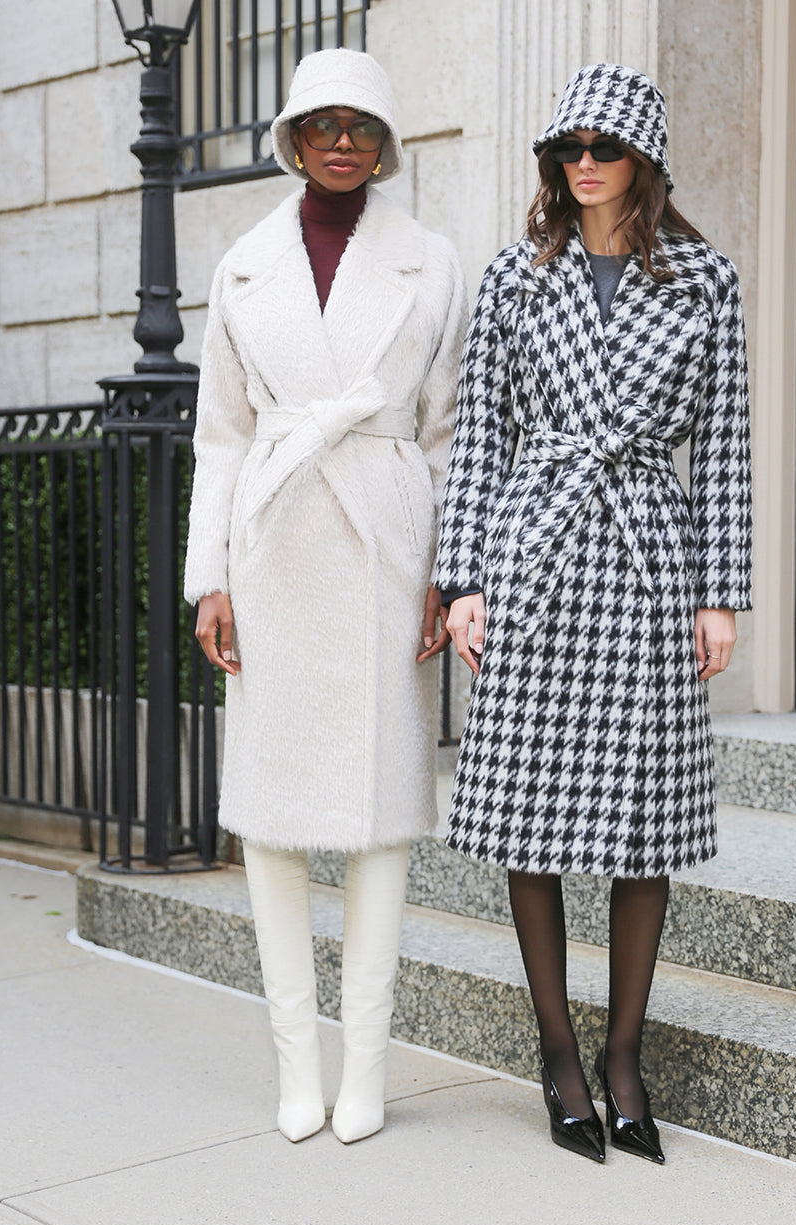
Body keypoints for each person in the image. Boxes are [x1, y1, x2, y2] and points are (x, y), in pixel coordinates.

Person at [434, 64, 752, 1164]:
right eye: (566, 149)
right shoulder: (515, 279)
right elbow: (479, 438)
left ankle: (624, 1056)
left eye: (602, 149)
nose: (581, 165)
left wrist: (718, 595)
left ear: (644, 164)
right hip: (536, 552)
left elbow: (720, 449)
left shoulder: (705, 281)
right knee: (530, 814)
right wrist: (462, 581)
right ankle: (558, 1055)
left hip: (648, 553)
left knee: (642, 818)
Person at [184, 48, 467, 1145]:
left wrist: (450, 569)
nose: (341, 139)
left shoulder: (432, 262)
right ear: (292, 139)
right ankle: (296, 1063)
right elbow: (219, 436)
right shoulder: (244, 263)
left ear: (384, 142)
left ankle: (367, 1072)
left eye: (361, 124)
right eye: (321, 123)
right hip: (275, 542)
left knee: (383, 815)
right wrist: (210, 576)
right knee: (271, 816)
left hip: (386, 543)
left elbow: (448, 434)